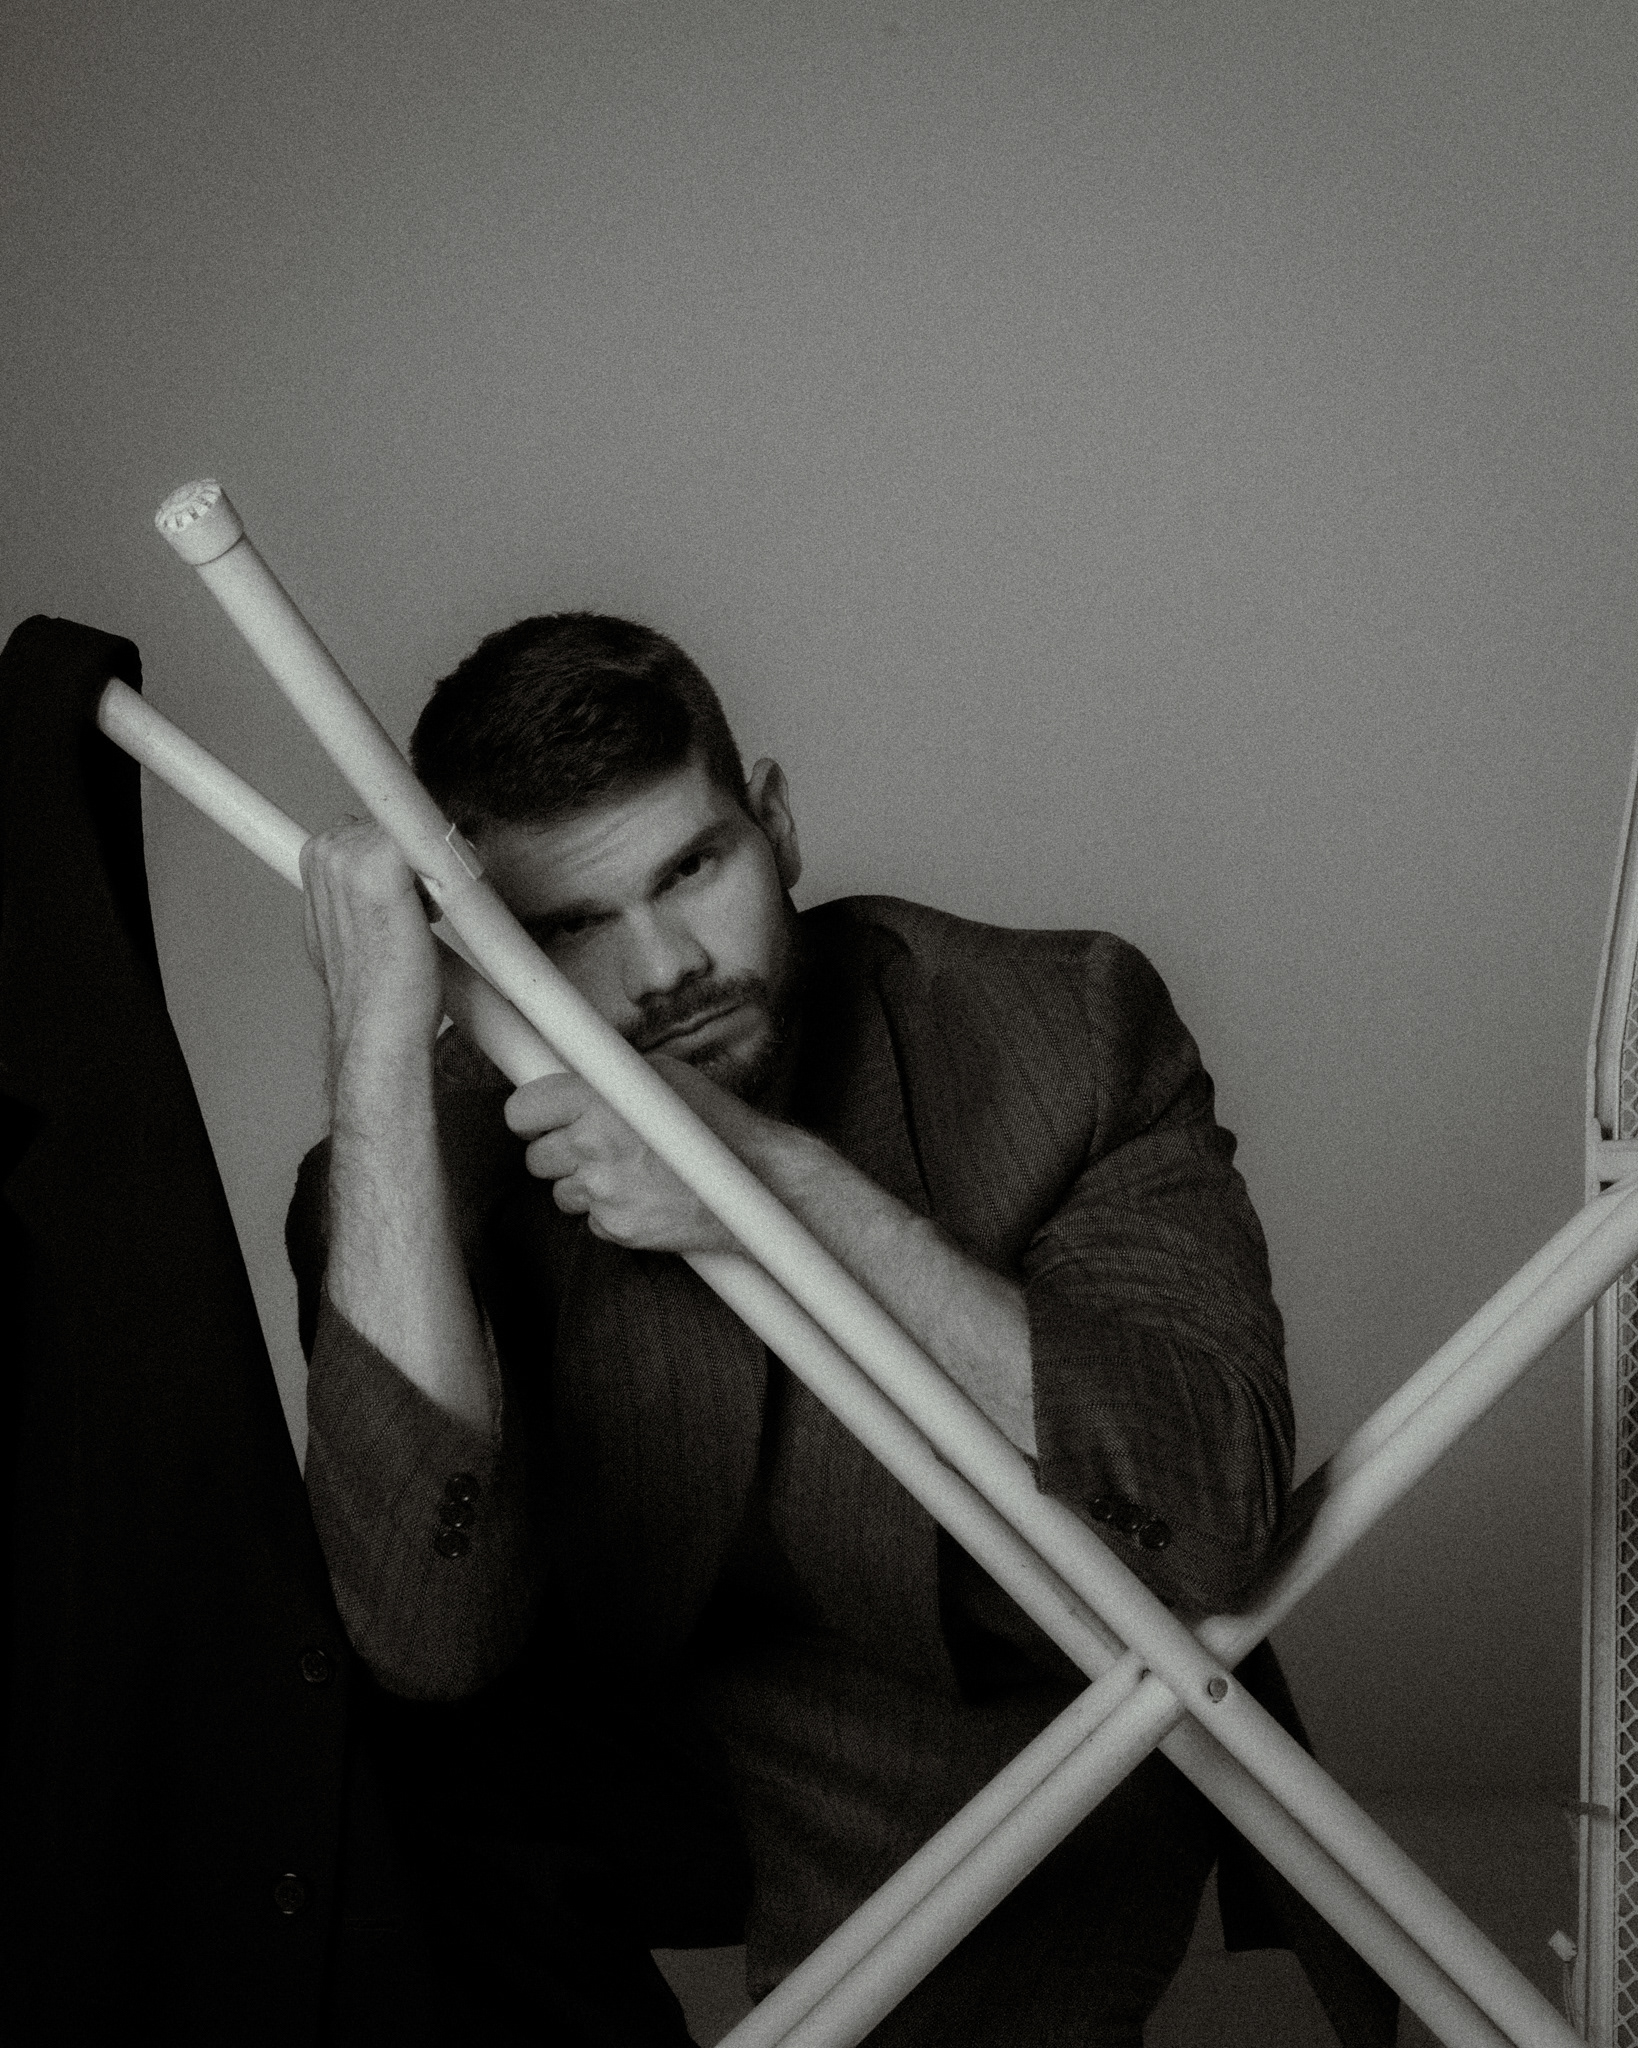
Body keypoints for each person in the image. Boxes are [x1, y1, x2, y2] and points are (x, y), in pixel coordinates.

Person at [285, 613, 1298, 2047]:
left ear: (775, 822)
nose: (662, 970)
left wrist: (779, 1188)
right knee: (341, 1774)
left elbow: (1209, 1514)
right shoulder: (415, 1153)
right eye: (570, 925)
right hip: (638, 1724)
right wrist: (378, 1053)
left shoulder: (1059, 1028)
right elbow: (425, 1642)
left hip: (1004, 1718)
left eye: (692, 870)